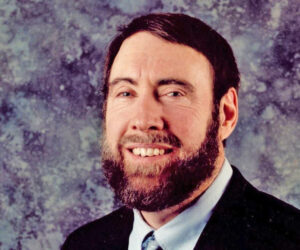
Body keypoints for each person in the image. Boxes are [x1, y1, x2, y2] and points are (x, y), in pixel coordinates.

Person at [62, 13, 300, 250]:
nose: (144, 120)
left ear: (226, 114)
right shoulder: (83, 243)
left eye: (174, 93)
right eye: (125, 93)